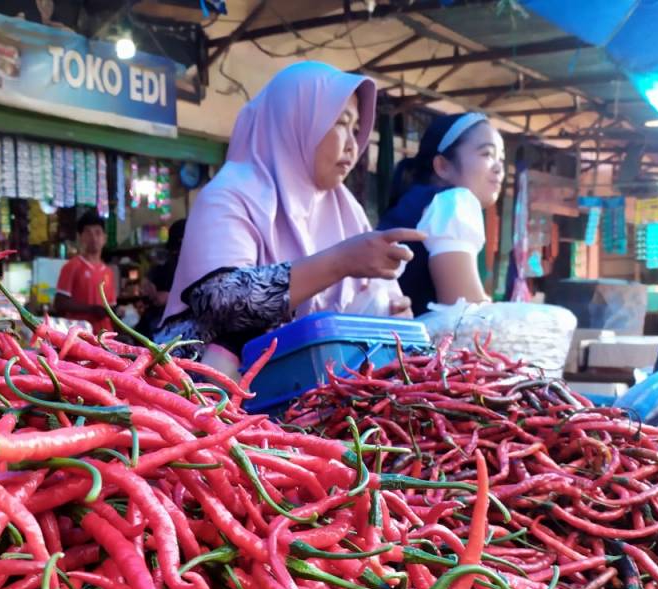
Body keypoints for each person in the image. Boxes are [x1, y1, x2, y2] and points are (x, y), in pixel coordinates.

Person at [156, 62, 424, 380]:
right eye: (340, 123)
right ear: (293, 121)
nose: (353, 145)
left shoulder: (346, 210)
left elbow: (377, 298)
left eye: (356, 129)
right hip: (208, 405)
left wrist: (393, 315)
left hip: (310, 397)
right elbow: (220, 300)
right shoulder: (230, 195)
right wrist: (340, 261)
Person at [378, 112, 505, 317]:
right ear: (443, 166)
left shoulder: (413, 204)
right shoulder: (455, 202)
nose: (499, 168)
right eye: (487, 154)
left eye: (502, 158)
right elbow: (464, 317)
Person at [54, 209, 117, 334]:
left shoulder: (109, 272)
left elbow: (111, 308)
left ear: (105, 238)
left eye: (98, 233)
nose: (93, 237)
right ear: (80, 237)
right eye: (88, 233)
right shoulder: (71, 266)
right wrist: (91, 309)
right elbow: (60, 303)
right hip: (80, 337)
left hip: (105, 336)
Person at [134, 219, 184, 338]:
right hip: (160, 327)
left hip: (170, 328)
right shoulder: (170, 263)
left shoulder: (191, 264)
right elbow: (149, 287)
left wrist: (170, 298)